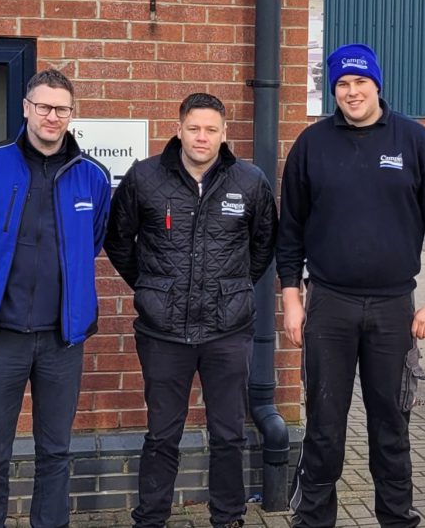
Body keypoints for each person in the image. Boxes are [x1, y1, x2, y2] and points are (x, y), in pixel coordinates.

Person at [277, 43, 425, 528]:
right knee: (323, 427)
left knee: (391, 427)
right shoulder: (312, 145)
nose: (352, 91)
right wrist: (292, 300)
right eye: (342, 83)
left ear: (377, 85)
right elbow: (289, 230)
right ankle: (313, 521)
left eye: (360, 82)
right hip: (328, 306)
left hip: (393, 308)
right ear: (333, 90)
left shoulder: (414, 142)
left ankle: (396, 519)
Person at [0, 68, 112, 528]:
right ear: (26, 108)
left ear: (71, 113)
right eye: (43, 106)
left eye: (61, 108)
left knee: (56, 451)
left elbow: (93, 241)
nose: (52, 116)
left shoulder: (93, 176)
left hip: (62, 338)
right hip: (0, 335)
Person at [104, 93, 277, 528]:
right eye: (194, 128)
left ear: (224, 133)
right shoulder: (145, 178)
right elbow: (118, 240)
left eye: (211, 130)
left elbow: (263, 245)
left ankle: (228, 517)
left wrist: (232, 289)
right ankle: (151, 518)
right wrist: (154, 287)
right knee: (162, 435)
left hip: (228, 331)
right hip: (162, 333)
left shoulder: (250, 181)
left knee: (229, 434)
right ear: (178, 128)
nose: (202, 137)